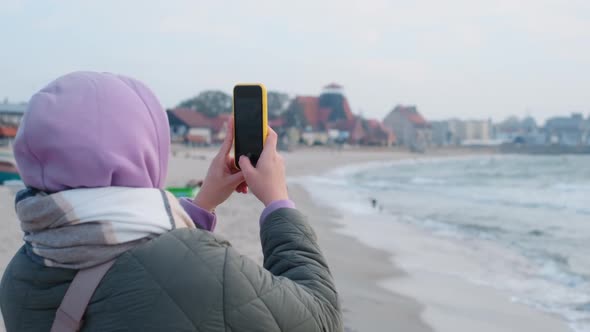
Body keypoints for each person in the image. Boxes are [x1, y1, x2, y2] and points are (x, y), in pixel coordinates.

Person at [0, 72, 342, 331]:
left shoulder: (19, 276)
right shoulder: (202, 268)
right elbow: (321, 317)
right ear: (148, 149)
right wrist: (277, 201)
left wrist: (203, 202)